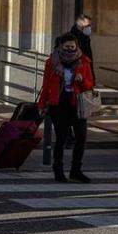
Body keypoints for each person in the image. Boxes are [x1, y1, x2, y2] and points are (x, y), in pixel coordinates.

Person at [37, 33, 95, 183]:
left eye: (72, 46)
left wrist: (82, 80)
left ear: (77, 47)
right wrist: (42, 105)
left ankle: (76, 170)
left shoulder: (84, 62)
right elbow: (46, 85)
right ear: (61, 46)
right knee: (61, 138)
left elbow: (90, 84)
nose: (69, 49)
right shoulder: (52, 62)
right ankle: (58, 170)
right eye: (67, 46)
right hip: (59, 105)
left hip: (78, 105)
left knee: (81, 137)